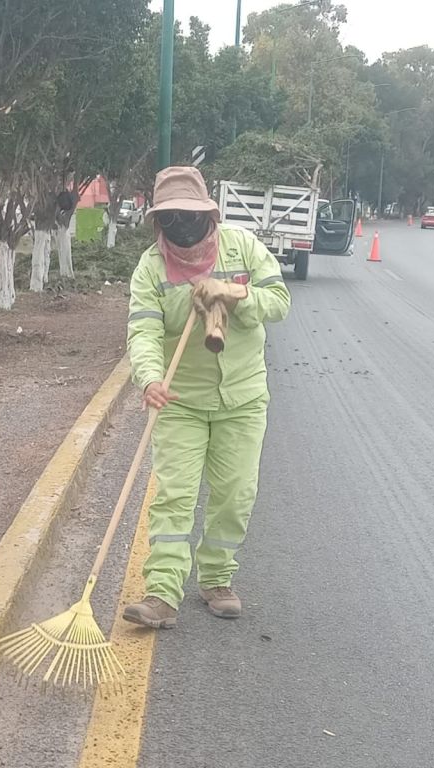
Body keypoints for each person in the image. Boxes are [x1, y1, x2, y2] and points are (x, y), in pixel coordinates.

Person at [123, 166, 291, 629]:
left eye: (190, 218)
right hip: (181, 400)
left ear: (209, 216)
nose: (183, 231)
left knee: (236, 493)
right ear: (159, 223)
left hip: (242, 398)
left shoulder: (243, 248)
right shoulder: (151, 269)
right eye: (171, 220)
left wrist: (237, 295)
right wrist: (150, 380)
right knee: (174, 495)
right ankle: (161, 593)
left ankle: (217, 576)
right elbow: (143, 331)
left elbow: (278, 301)